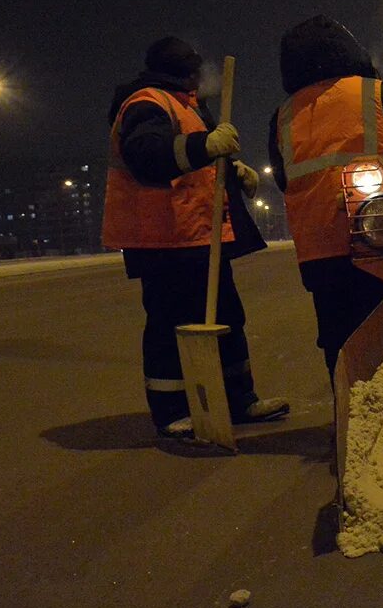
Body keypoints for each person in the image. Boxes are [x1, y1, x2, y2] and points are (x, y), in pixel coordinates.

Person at [102, 37, 289, 438]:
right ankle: (171, 412)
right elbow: (148, 157)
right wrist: (206, 143)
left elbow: (201, 164)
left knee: (226, 317)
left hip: (197, 236)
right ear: (186, 73)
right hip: (163, 239)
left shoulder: (185, 105)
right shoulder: (146, 103)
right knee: (170, 325)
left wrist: (233, 168)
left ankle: (239, 400)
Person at [268, 16, 383, 377]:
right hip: (379, 238)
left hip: (318, 251)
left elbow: (283, 178)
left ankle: (348, 417)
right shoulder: (372, 92)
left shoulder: (283, 115)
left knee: (338, 341)